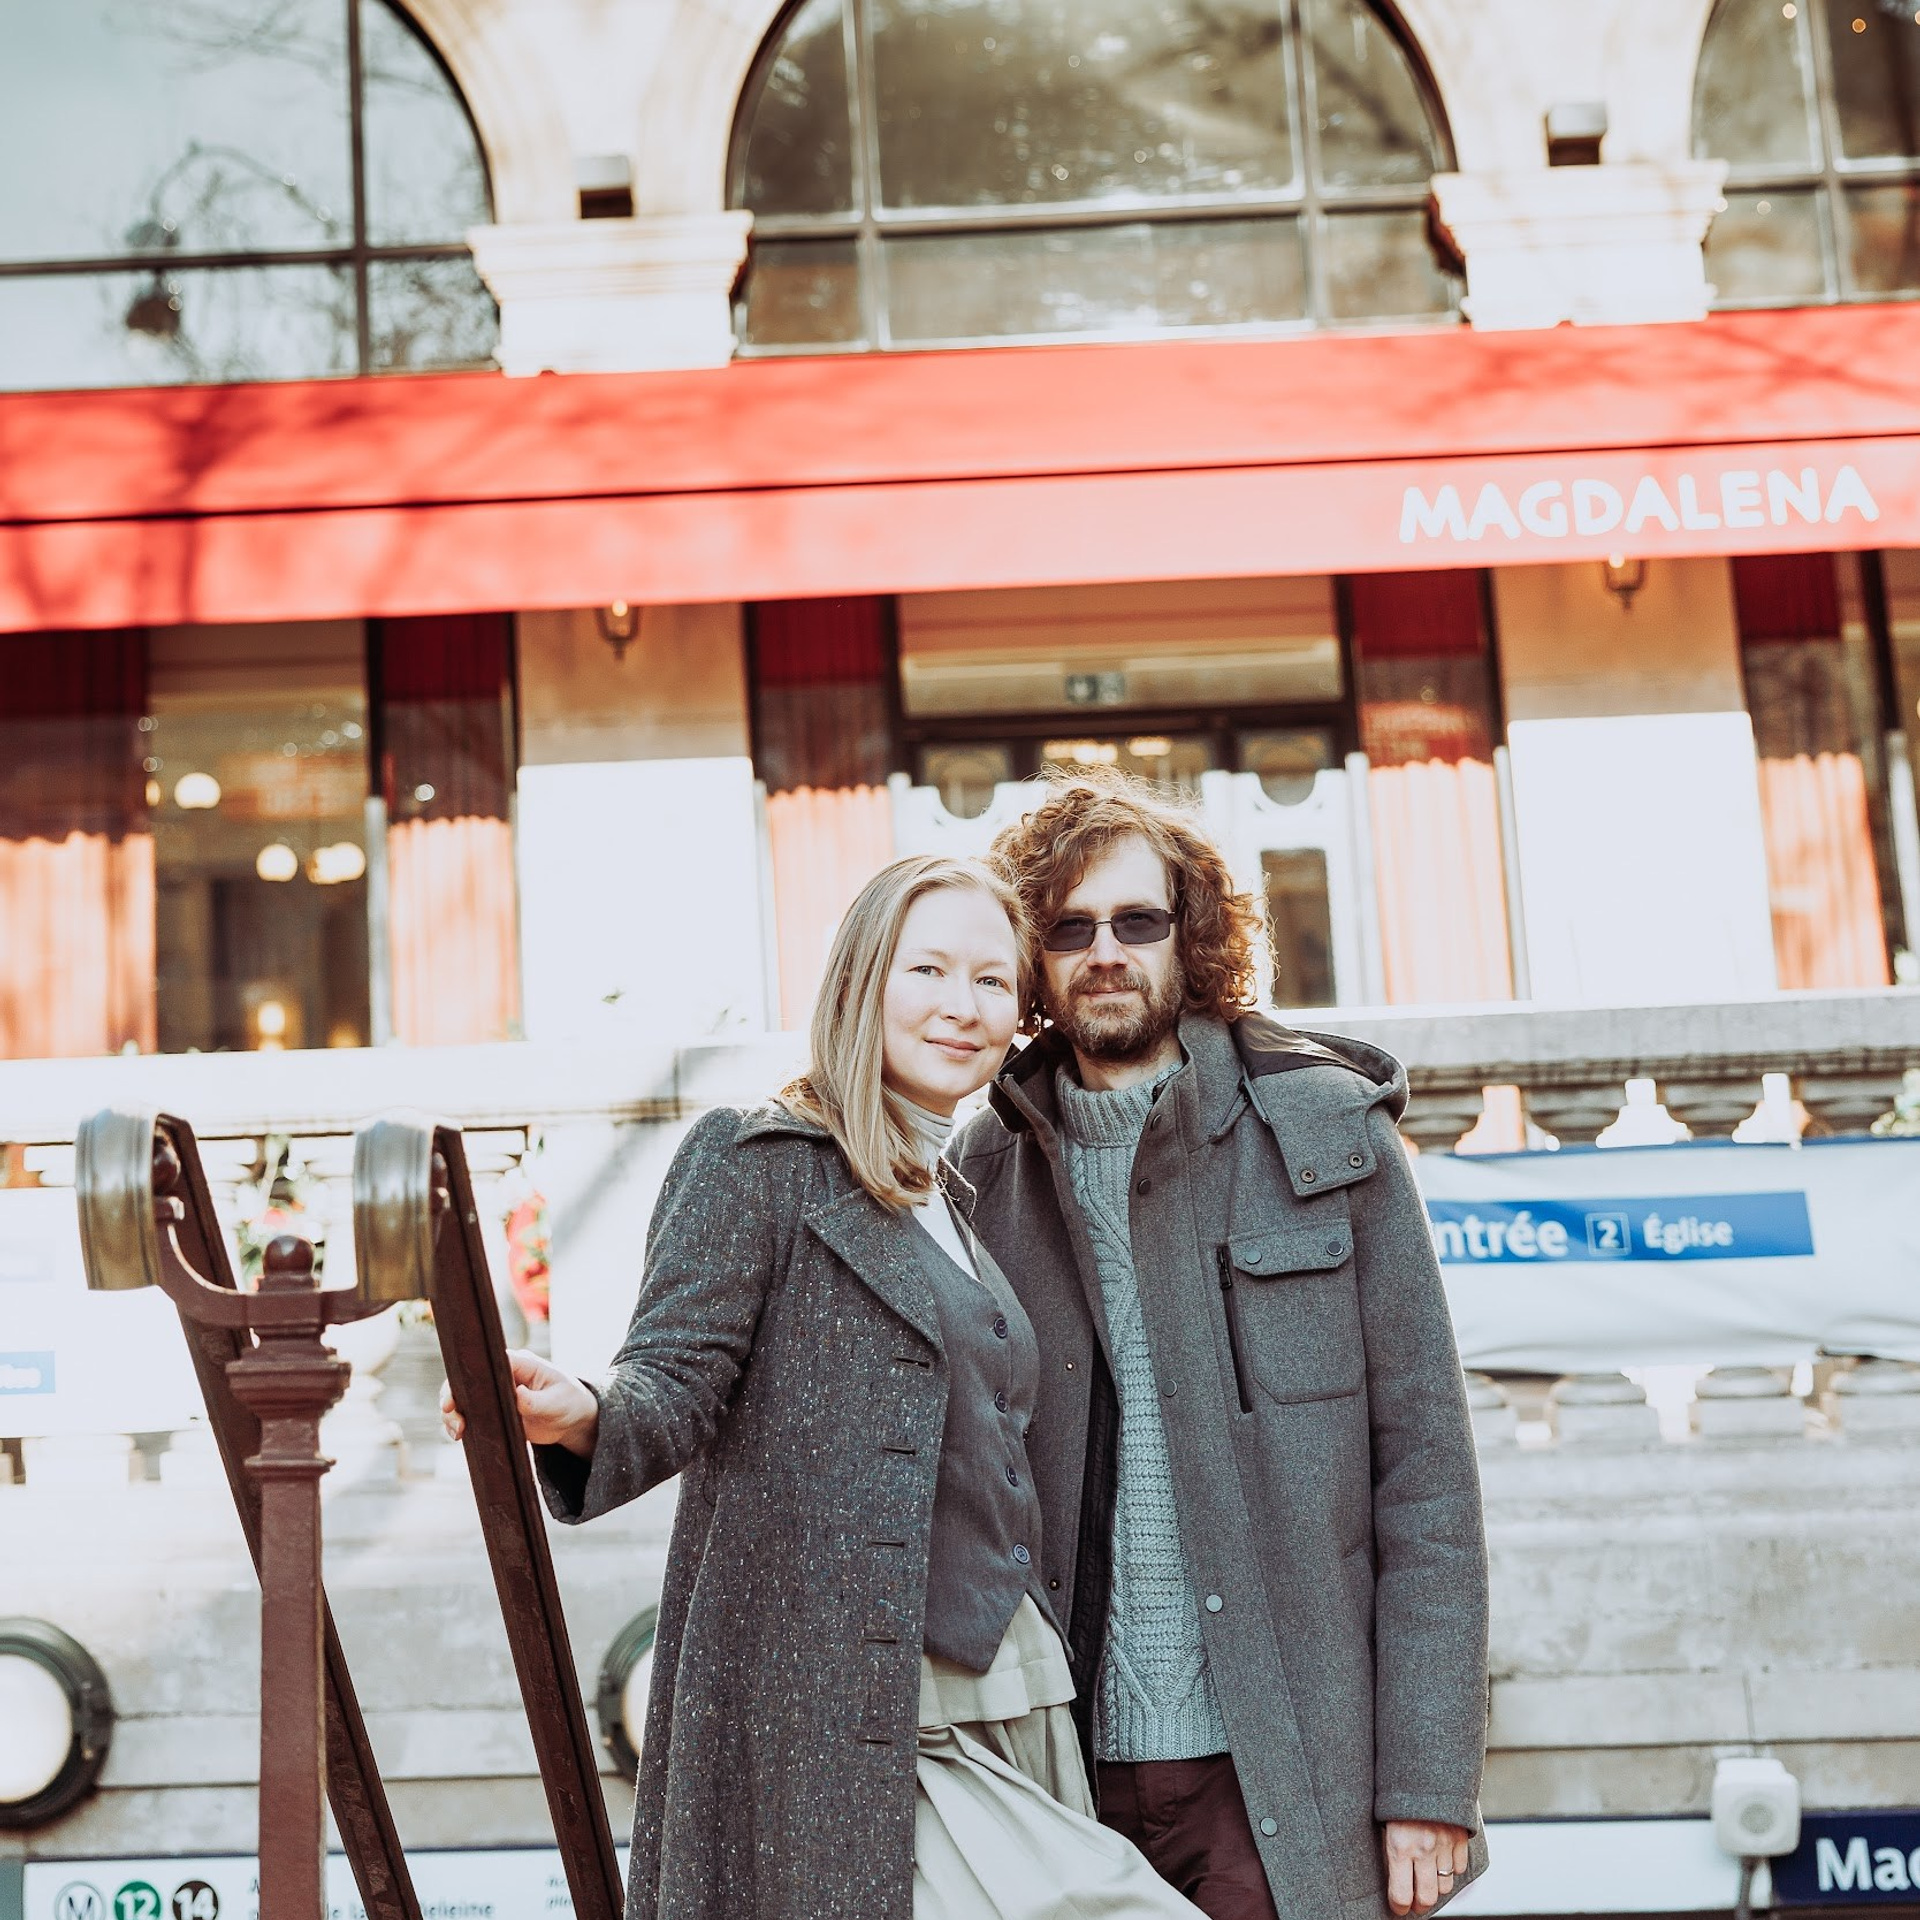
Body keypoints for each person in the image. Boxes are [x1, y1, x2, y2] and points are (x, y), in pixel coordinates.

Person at [441, 854, 1206, 1920]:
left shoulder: (956, 1188)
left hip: (1019, 1688)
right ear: (861, 985)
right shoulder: (756, 1160)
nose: (962, 1005)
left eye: (992, 982)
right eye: (927, 969)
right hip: (860, 1708)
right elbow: (674, 1380)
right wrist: (584, 1412)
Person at [950, 772, 1490, 1920]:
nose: (1106, 953)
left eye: (1138, 922)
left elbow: (1428, 1483)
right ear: (1031, 960)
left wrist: (1429, 1782)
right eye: (1069, 927)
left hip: (1285, 1773)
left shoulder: (1330, 1140)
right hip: (1061, 1778)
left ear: (1188, 940)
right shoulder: (977, 1178)